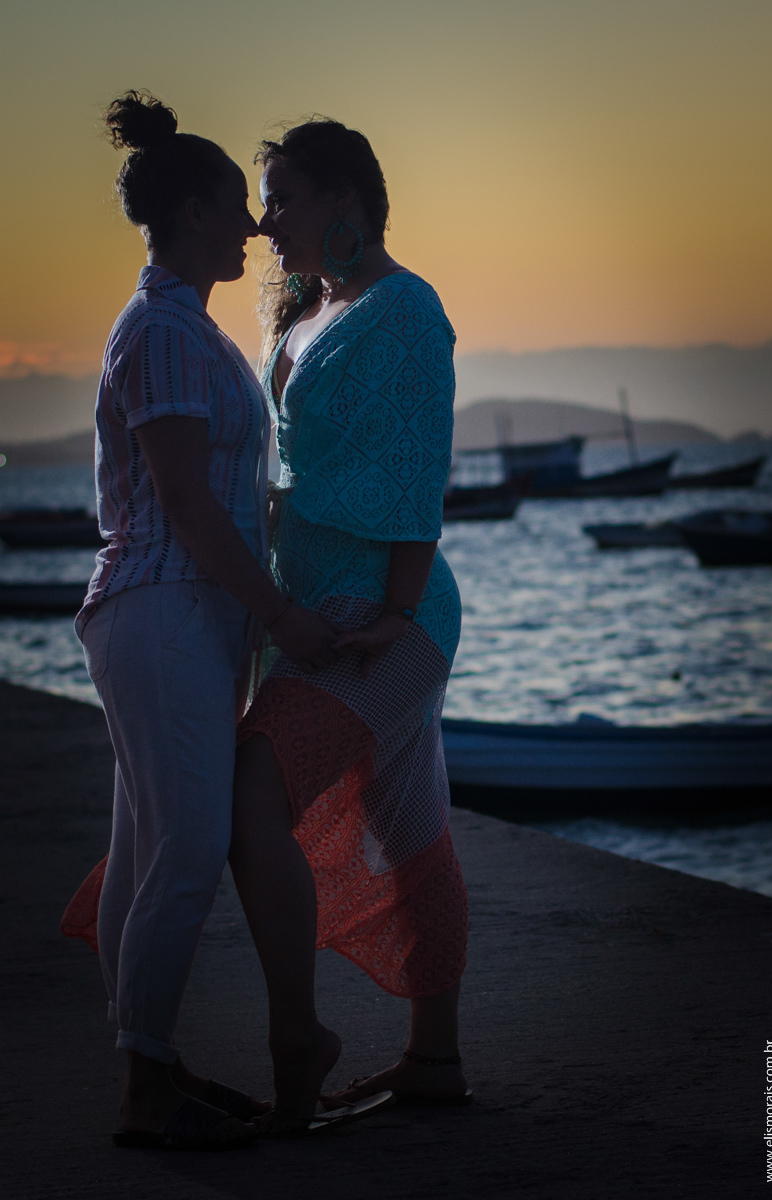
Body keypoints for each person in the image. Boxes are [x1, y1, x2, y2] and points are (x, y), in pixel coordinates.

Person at [61, 92, 355, 1149]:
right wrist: (282, 614)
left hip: (177, 616)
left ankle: (155, 1066)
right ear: (192, 211)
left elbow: (216, 498)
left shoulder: (181, 327)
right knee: (184, 846)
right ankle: (146, 1086)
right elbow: (186, 505)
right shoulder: (164, 333)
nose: (252, 228)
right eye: (238, 207)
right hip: (164, 609)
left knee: (149, 852)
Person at [230, 118, 471, 1119]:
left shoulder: (405, 308)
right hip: (319, 604)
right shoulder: (304, 313)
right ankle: (436, 1061)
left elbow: (421, 468)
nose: (265, 218)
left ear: (345, 199)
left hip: (382, 615)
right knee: (412, 828)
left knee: (249, 799)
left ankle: (301, 1035)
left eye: (282, 195)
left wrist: (397, 610)